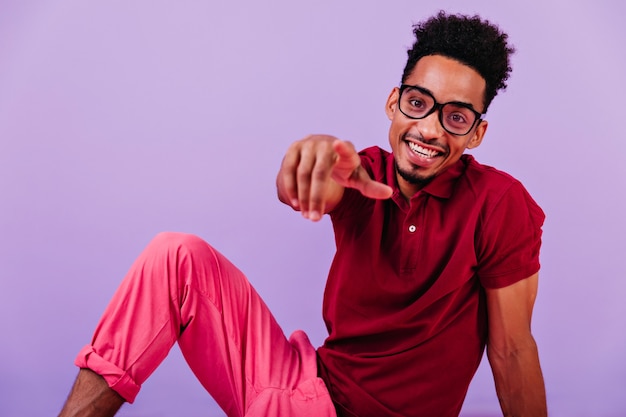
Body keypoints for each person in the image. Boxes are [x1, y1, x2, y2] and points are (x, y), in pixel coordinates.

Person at [58, 11, 547, 417]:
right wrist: (311, 159)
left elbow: (512, 350)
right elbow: (310, 187)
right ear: (394, 104)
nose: (431, 129)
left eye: (456, 116)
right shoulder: (363, 173)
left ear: (476, 132)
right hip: (301, 393)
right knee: (174, 254)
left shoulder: (499, 203)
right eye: (418, 104)